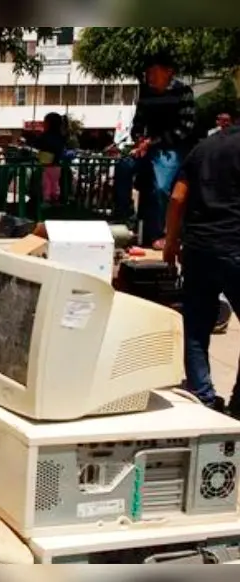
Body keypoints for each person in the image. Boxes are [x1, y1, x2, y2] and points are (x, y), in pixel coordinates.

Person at [163, 119, 240, 415]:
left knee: (196, 327)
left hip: (198, 249)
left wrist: (171, 243)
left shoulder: (203, 148)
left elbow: (177, 197)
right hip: (235, 246)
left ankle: (203, 395)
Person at [115, 51, 195, 249]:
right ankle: (127, 218)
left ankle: (161, 233)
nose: (149, 77)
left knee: (161, 187)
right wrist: (138, 139)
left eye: (153, 73)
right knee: (123, 166)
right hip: (147, 147)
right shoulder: (146, 93)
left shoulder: (183, 91)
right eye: (148, 73)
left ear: (169, 72)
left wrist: (153, 142)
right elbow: (138, 123)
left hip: (171, 149)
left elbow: (184, 128)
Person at [35, 112, 68, 205]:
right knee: (55, 183)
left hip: (46, 163)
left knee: (46, 183)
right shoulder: (61, 136)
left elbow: (37, 144)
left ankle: (47, 200)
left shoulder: (45, 136)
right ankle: (55, 199)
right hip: (56, 164)